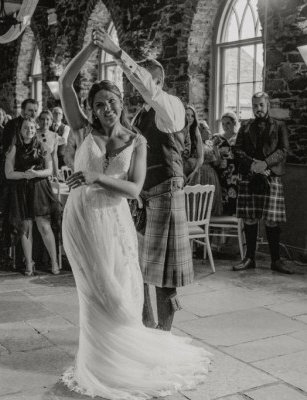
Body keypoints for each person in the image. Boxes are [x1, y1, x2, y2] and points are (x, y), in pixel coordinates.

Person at [58, 35, 210, 400]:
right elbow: (65, 83)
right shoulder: (84, 130)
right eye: (98, 104)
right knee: (98, 291)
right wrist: (93, 50)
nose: (105, 109)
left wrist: (97, 177)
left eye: (111, 102)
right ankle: (98, 360)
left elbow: (135, 185)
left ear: (121, 102)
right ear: (92, 109)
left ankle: (141, 347)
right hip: (83, 219)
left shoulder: (152, 126)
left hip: (123, 215)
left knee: (132, 289)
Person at [94, 28, 194, 332]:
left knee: (164, 278)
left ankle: (165, 335)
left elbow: (148, 88)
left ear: (158, 82)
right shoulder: (140, 116)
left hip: (165, 193)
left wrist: (117, 52)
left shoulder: (172, 107)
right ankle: (146, 325)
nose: (136, 84)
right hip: (143, 198)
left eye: (142, 79)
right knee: (138, 269)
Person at [232, 92, 294, 274]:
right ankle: (249, 258)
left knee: (272, 220)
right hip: (250, 175)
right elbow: (237, 150)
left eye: (261, 105)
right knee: (249, 218)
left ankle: (276, 260)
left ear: (267, 105)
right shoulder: (245, 126)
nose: (257, 109)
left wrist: (265, 164)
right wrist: (253, 165)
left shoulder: (279, 125)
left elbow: (284, 150)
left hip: (271, 175)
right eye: (254, 106)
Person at [4, 116, 60, 275]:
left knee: (44, 225)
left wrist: (35, 173)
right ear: (20, 131)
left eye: (32, 128)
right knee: (26, 227)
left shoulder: (42, 146)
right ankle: (29, 263)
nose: (29, 130)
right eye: (26, 128)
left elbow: (50, 170)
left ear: (35, 130)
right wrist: (24, 175)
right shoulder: (14, 147)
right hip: (22, 190)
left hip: (39, 189)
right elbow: (8, 173)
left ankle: (54, 262)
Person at [213, 111, 240, 215]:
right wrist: (215, 147)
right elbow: (215, 162)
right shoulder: (217, 138)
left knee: (234, 206)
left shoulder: (239, 138)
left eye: (228, 123)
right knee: (222, 206)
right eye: (223, 124)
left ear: (234, 123)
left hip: (235, 177)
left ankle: (237, 230)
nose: (225, 126)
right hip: (221, 176)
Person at [182, 105, 203, 185]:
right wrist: (180, 173)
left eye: (192, 116)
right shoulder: (177, 132)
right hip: (179, 169)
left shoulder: (196, 132)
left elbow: (200, 157)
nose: (190, 118)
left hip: (193, 170)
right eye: (187, 115)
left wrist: (194, 172)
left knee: (193, 162)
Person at [37, 110, 59, 177]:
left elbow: (54, 156)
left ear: (51, 121)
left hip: (48, 171)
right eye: (42, 119)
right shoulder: (33, 133)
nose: (45, 122)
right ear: (39, 121)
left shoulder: (55, 136)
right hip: (36, 170)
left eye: (47, 119)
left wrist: (56, 173)